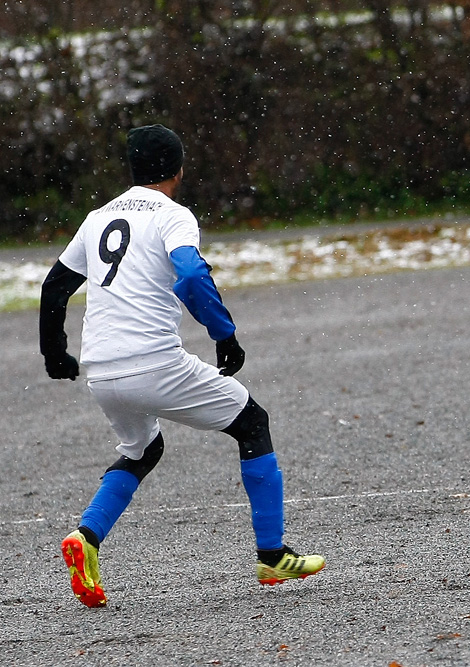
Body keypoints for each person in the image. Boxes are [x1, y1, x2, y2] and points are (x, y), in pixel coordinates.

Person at [39, 124, 325, 608]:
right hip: (154, 364)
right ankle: (272, 555)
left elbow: (54, 287)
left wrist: (56, 354)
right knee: (252, 422)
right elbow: (192, 273)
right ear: (179, 168)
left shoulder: (96, 217)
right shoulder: (173, 215)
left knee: (141, 452)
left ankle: (86, 537)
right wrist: (224, 334)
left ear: (132, 168)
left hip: (102, 373)